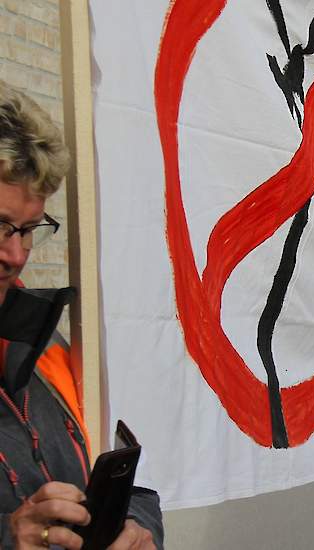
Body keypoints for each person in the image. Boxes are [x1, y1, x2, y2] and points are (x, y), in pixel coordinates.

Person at [0, 82, 163, 549]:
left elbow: (134, 486)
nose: (16, 255)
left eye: (29, 230)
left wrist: (137, 529)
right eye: (0, 225)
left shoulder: (49, 346)